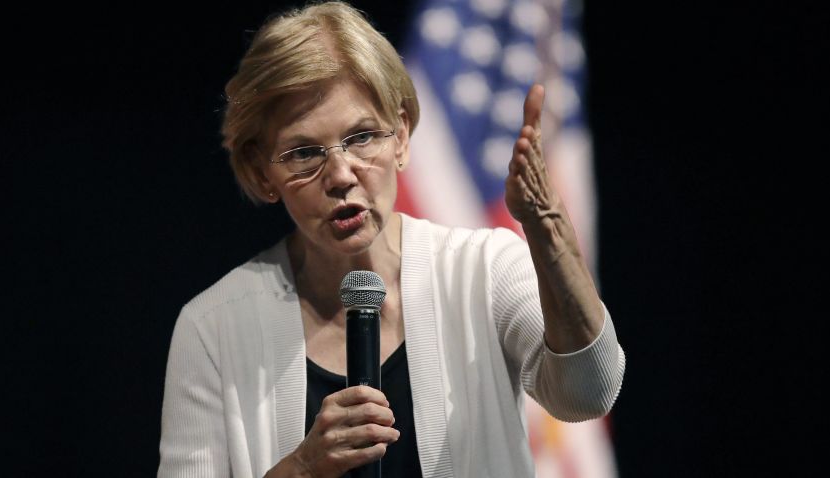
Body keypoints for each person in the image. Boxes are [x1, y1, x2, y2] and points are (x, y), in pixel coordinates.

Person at [157, 2, 625, 477]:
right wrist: (302, 468)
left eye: (361, 138)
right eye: (304, 152)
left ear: (401, 135)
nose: (341, 175)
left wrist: (551, 233)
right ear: (261, 173)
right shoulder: (213, 328)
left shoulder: (486, 270)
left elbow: (587, 392)